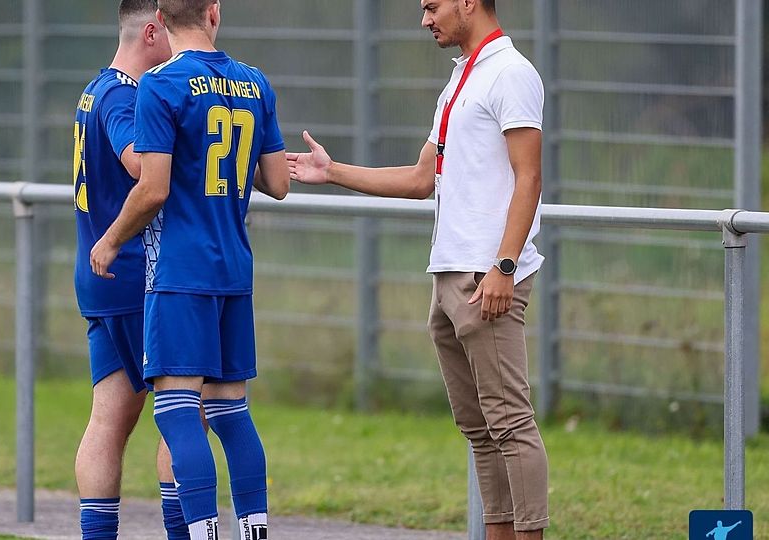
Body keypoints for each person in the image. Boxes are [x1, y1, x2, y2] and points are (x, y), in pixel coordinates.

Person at [287, 0, 548, 538]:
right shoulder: (459, 80)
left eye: (431, 6)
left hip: (487, 279)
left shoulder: (511, 73)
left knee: (511, 425)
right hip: (448, 275)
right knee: (478, 430)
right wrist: (332, 171)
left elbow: (529, 178)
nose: (424, 19)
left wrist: (503, 266)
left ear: (468, 3)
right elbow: (419, 178)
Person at [88, 0, 290, 538]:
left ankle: (201, 533)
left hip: (178, 271)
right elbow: (278, 182)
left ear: (160, 15)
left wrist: (109, 242)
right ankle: (254, 530)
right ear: (214, 13)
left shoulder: (159, 84)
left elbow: (151, 189)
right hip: (234, 268)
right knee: (230, 412)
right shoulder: (255, 82)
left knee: (177, 412)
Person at [71, 2, 187, 539]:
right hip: (137, 275)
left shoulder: (93, 89)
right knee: (184, 410)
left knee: (108, 419)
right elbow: (139, 164)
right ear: (151, 31)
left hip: (101, 278)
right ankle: (182, 530)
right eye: (173, 32)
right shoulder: (125, 95)